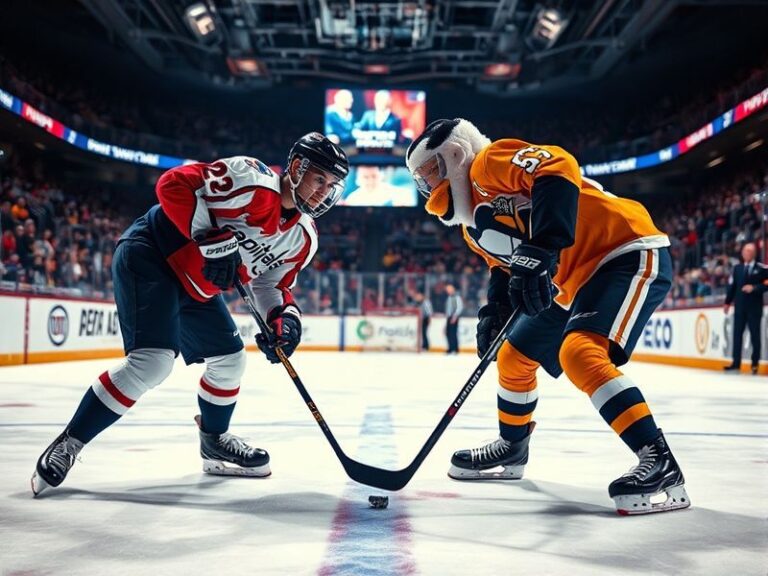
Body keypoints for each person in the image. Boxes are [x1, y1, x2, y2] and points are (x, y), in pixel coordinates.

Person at [31, 133, 349, 495]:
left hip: (194, 287)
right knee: (152, 362)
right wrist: (210, 239)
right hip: (151, 253)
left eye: (332, 185)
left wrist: (284, 321)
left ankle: (213, 441)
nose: (324, 190)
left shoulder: (304, 239)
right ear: (296, 168)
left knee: (230, 360)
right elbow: (173, 183)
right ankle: (70, 441)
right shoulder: (251, 180)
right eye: (319, 179)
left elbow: (270, 285)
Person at [406, 118, 689, 515]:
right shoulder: (472, 228)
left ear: (455, 155)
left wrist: (544, 244)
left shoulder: (488, 162)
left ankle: (660, 462)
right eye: (421, 178)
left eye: (431, 171)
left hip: (624, 249)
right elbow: (504, 268)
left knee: (580, 353)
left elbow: (558, 166)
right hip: (572, 282)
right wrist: (495, 310)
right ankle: (513, 447)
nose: (428, 185)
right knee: (513, 356)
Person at [724, 242, 766, 375]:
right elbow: (732, 287)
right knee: (737, 335)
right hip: (740, 308)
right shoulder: (737, 269)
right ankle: (736, 363)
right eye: (745, 251)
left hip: (754, 308)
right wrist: (727, 302)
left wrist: (754, 288)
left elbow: (766, 285)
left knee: (755, 336)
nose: (747, 253)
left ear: (754, 253)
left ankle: (755, 363)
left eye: (750, 251)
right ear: (742, 253)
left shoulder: (762, 269)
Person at [341, 166, 415, 207]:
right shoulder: (352, 199)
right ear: (358, 180)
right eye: (365, 177)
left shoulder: (401, 194)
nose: (370, 181)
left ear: (380, 176)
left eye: (374, 176)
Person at [444, 284, 463, 354]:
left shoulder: (457, 297)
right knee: (448, 333)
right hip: (449, 317)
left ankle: (455, 349)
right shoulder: (449, 297)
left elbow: (459, 307)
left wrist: (455, 316)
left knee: (453, 333)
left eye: (449, 289)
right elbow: (448, 308)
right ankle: (450, 348)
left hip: (454, 317)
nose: (447, 291)